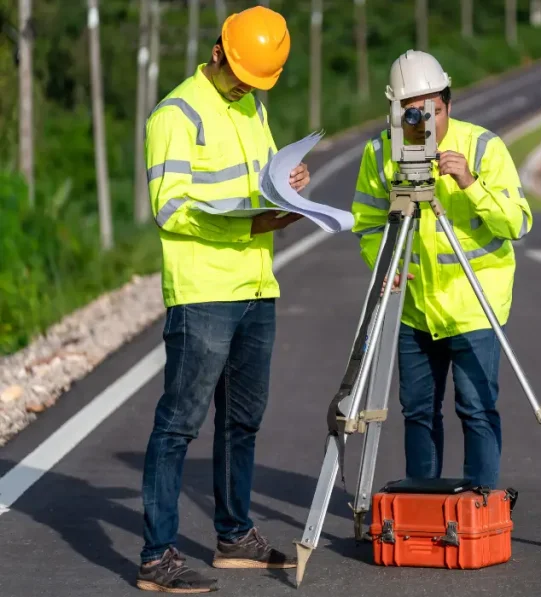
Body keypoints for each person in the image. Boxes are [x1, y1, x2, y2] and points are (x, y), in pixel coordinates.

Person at [137, 6, 308, 593]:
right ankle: (157, 557)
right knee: (179, 424)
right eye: (242, 76)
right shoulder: (175, 114)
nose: (247, 87)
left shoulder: (253, 106)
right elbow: (170, 207)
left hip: (257, 284)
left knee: (243, 421)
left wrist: (287, 188)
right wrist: (249, 226)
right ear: (218, 53)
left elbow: (255, 182)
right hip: (205, 291)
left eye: (257, 82)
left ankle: (234, 536)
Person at [350, 50, 533, 491]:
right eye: (413, 112)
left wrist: (470, 184)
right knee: (417, 411)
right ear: (395, 112)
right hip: (413, 309)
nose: (425, 121)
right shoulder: (381, 153)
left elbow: (517, 223)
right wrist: (383, 266)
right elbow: (368, 223)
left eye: (433, 110)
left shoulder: (483, 147)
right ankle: (422, 505)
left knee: (476, 408)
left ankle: (481, 505)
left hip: (474, 307)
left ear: (449, 103)